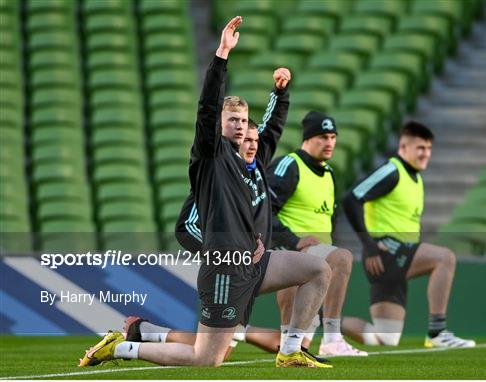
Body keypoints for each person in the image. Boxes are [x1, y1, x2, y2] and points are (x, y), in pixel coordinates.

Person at [79, 16, 332, 368]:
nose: (240, 128)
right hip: (226, 266)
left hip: (255, 263)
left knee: (318, 271)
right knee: (208, 358)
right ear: (220, 125)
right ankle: (122, 347)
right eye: (233, 121)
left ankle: (290, 350)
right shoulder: (211, 155)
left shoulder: (253, 158)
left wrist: (280, 93)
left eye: (244, 122)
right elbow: (207, 108)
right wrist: (222, 55)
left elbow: (271, 129)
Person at [340, 121, 476, 348]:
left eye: (429, 148)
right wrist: (370, 245)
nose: (426, 154)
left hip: (393, 260)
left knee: (384, 338)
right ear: (403, 147)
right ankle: (437, 332)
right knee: (445, 258)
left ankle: (324, 319)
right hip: (386, 253)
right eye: (421, 148)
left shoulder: (416, 178)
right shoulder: (393, 171)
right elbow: (351, 198)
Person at [267, 111, 366, 357]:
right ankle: (332, 338)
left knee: (296, 351)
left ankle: (245, 334)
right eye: (323, 136)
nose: (330, 142)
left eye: (333, 137)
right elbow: (262, 211)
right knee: (343, 257)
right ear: (308, 138)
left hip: (316, 262)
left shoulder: (329, 173)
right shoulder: (289, 165)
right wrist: (293, 241)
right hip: (290, 255)